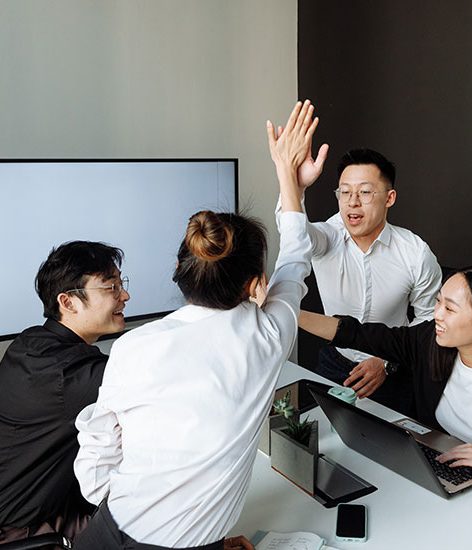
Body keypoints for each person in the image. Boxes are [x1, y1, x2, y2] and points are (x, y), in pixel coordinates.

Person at [71, 100, 316, 550]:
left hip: (105, 533)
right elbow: (296, 259)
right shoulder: (266, 340)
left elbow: (98, 455)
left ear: (179, 270)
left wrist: (162, 521)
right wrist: (288, 177)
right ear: (255, 285)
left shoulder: (133, 346)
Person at [299, 267, 472, 485]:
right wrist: (290, 313)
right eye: (438, 302)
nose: (437, 314)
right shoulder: (430, 343)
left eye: (450, 309)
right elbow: (358, 334)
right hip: (444, 471)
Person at [275, 145, 441, 412]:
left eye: (364, 192)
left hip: (393, 367)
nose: (352, 202)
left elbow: (428, 322)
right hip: (335, 361)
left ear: (389, 198)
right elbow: (293, 233)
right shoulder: (328, 236)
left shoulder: (415, 253)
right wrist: (296, 186)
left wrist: (386, 363)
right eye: (345, 192)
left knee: (391, 436)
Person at [0, 241, 129, 544]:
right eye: (111, 287)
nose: (124, 296)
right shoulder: (67, 374)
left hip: (48, 505)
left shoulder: (30, 342)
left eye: (121, 284)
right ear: (68, 302)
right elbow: (158, 379)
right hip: (24, 528)